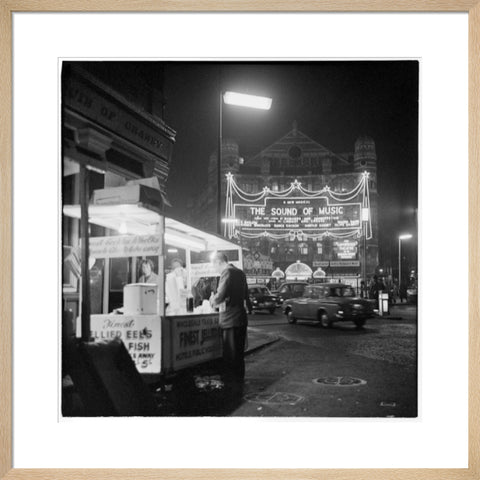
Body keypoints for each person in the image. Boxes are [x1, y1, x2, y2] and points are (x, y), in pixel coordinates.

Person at [210, 252, 252, 383]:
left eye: (214, 266)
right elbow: (246, 295)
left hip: (230, 320)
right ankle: (238, 380)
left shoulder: (227, 272)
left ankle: (232, 384)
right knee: (239, 354)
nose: (215, 269)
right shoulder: (240, 273)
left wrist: (212, 300)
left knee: (231, 354)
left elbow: (220, 295)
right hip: (240, 318)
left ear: (218, 262)